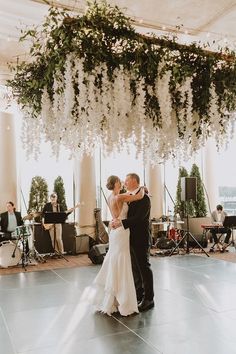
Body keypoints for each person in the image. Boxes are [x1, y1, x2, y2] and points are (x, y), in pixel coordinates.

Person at [82, 175, 144, 316]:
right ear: (116, 183)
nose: (122, 182)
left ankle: (113, 297)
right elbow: (138, 196)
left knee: (114, 260)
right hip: (121, 230)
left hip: (115, 230)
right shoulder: (120, 197)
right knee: (122, 262)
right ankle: (123, 299)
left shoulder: (111, 197)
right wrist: (143, 188)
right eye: (120, 181)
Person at [112, 173, 154, 312]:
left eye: (127, 179)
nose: (125, 182)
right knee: (135, 268)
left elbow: (139, 218)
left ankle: (149, 299)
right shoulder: (130, 196)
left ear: (135, 181)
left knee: (144, 267)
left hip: (141, 238)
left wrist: (121, 223)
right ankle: (138, 295)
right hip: (129, 238)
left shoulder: (145, 198)